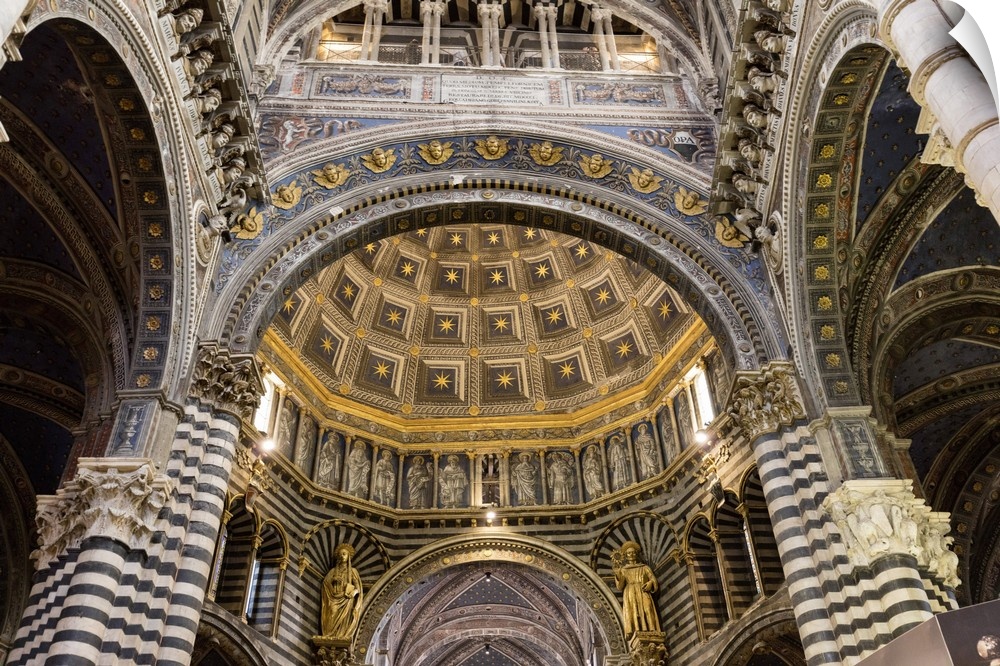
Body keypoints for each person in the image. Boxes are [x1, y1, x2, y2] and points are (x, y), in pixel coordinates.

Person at [612, 541, 660, 636]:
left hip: (642, 590)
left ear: (636, 554)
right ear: (626, 556)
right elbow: (620, 586)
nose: (631, 554)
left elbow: (653, 579)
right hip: (630, 592)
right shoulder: (623, 570)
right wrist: (618, 575)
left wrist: (650, 583)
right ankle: (636, 630)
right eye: (629, 553)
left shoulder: (644, 567)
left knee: (648, 608)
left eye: (633, 552)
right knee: (633, 610)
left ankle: (652, 629)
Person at [321, 544, 363, 639]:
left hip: (347, 598)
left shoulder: (352, 571)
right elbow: (325, 583)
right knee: (332, 611)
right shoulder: (333, 571)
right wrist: (333, 580)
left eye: (344, 554)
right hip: (334, 597)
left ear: (348, 556)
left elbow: (358, 587)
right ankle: (329, 634)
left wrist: (354, 592)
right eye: (340, 554)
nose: (342, 556)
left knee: (345, 618)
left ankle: (342, 635)